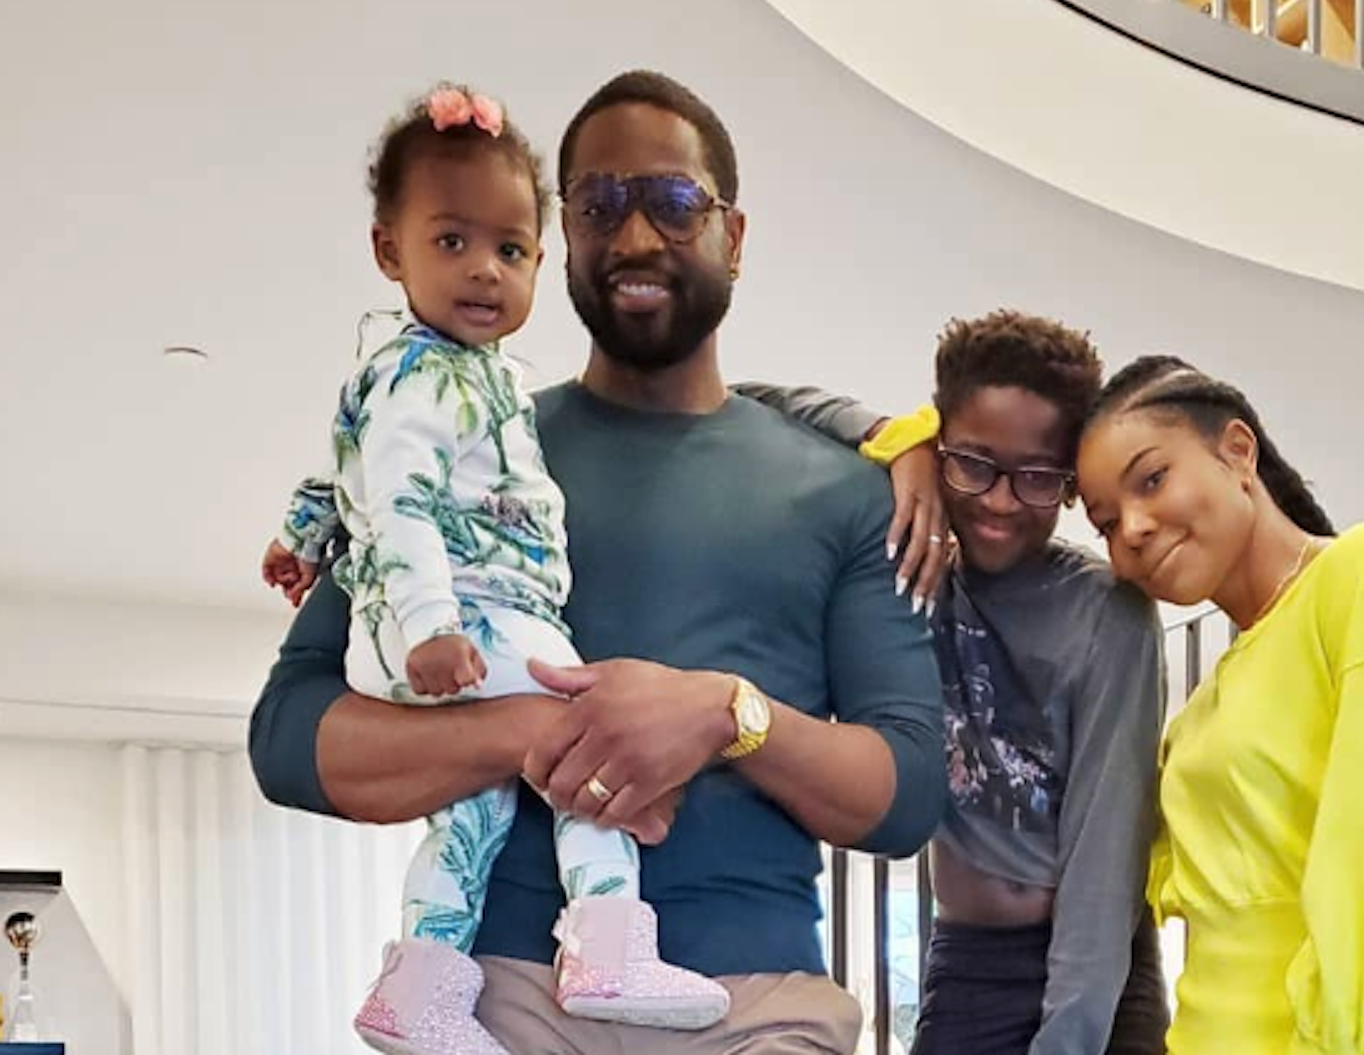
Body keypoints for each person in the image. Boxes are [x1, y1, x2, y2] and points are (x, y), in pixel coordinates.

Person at [250, 70, 948, 1055]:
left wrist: (725, 715)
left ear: (733, 236)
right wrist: (533, 729)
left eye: (674, 202)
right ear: (562, 236)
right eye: (599, 205)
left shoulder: (849, 492)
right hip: (506, 1006)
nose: (635, 236)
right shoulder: (462, 445)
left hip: (756, 1012)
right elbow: (289, 737)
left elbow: (907, 792)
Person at [260, 82, 731, 1054]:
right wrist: (431, 625)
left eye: (510, 251)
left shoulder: (443, 376)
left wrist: (300, 537)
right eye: (451, 241)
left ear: (539, 263)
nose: (484, 270)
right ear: (389, 250)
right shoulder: (429, 375)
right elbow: (400, 502)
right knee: (590, 743)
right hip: (466, 618)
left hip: (458, 625)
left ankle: (419, 988)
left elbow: (349, 472)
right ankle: (606, 948)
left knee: (472, 811)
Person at [1075, 356, 1364, 1055]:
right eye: (1104, 523)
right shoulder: (1201, 708)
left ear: (1237, 452)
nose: (1132, 528)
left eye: (1151, 480)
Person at [903, 311, 1171, 1055]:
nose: (999, 500)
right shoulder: (914, 575)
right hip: (967, 962)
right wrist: (896, 448)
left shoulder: (1109, 612)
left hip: (1102, 970)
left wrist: (1068, 1038)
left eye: (1037, 477)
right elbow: (764, 403)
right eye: (973, 464)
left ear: (1071, 483)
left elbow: (1106, 852)